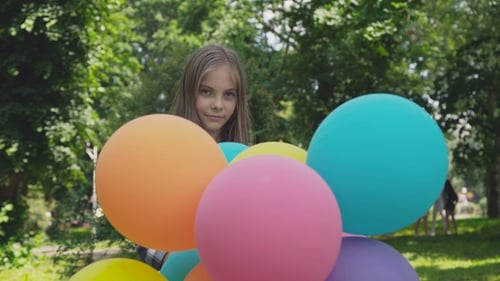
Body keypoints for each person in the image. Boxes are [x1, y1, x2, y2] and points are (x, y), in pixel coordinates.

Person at [136, 44, 252, 269]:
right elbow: (142, 225)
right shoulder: (164, 153)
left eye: (228, 95)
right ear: (190, 92)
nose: (218, 105)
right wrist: (176, 262)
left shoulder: (245, 159)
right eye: (206, 91)